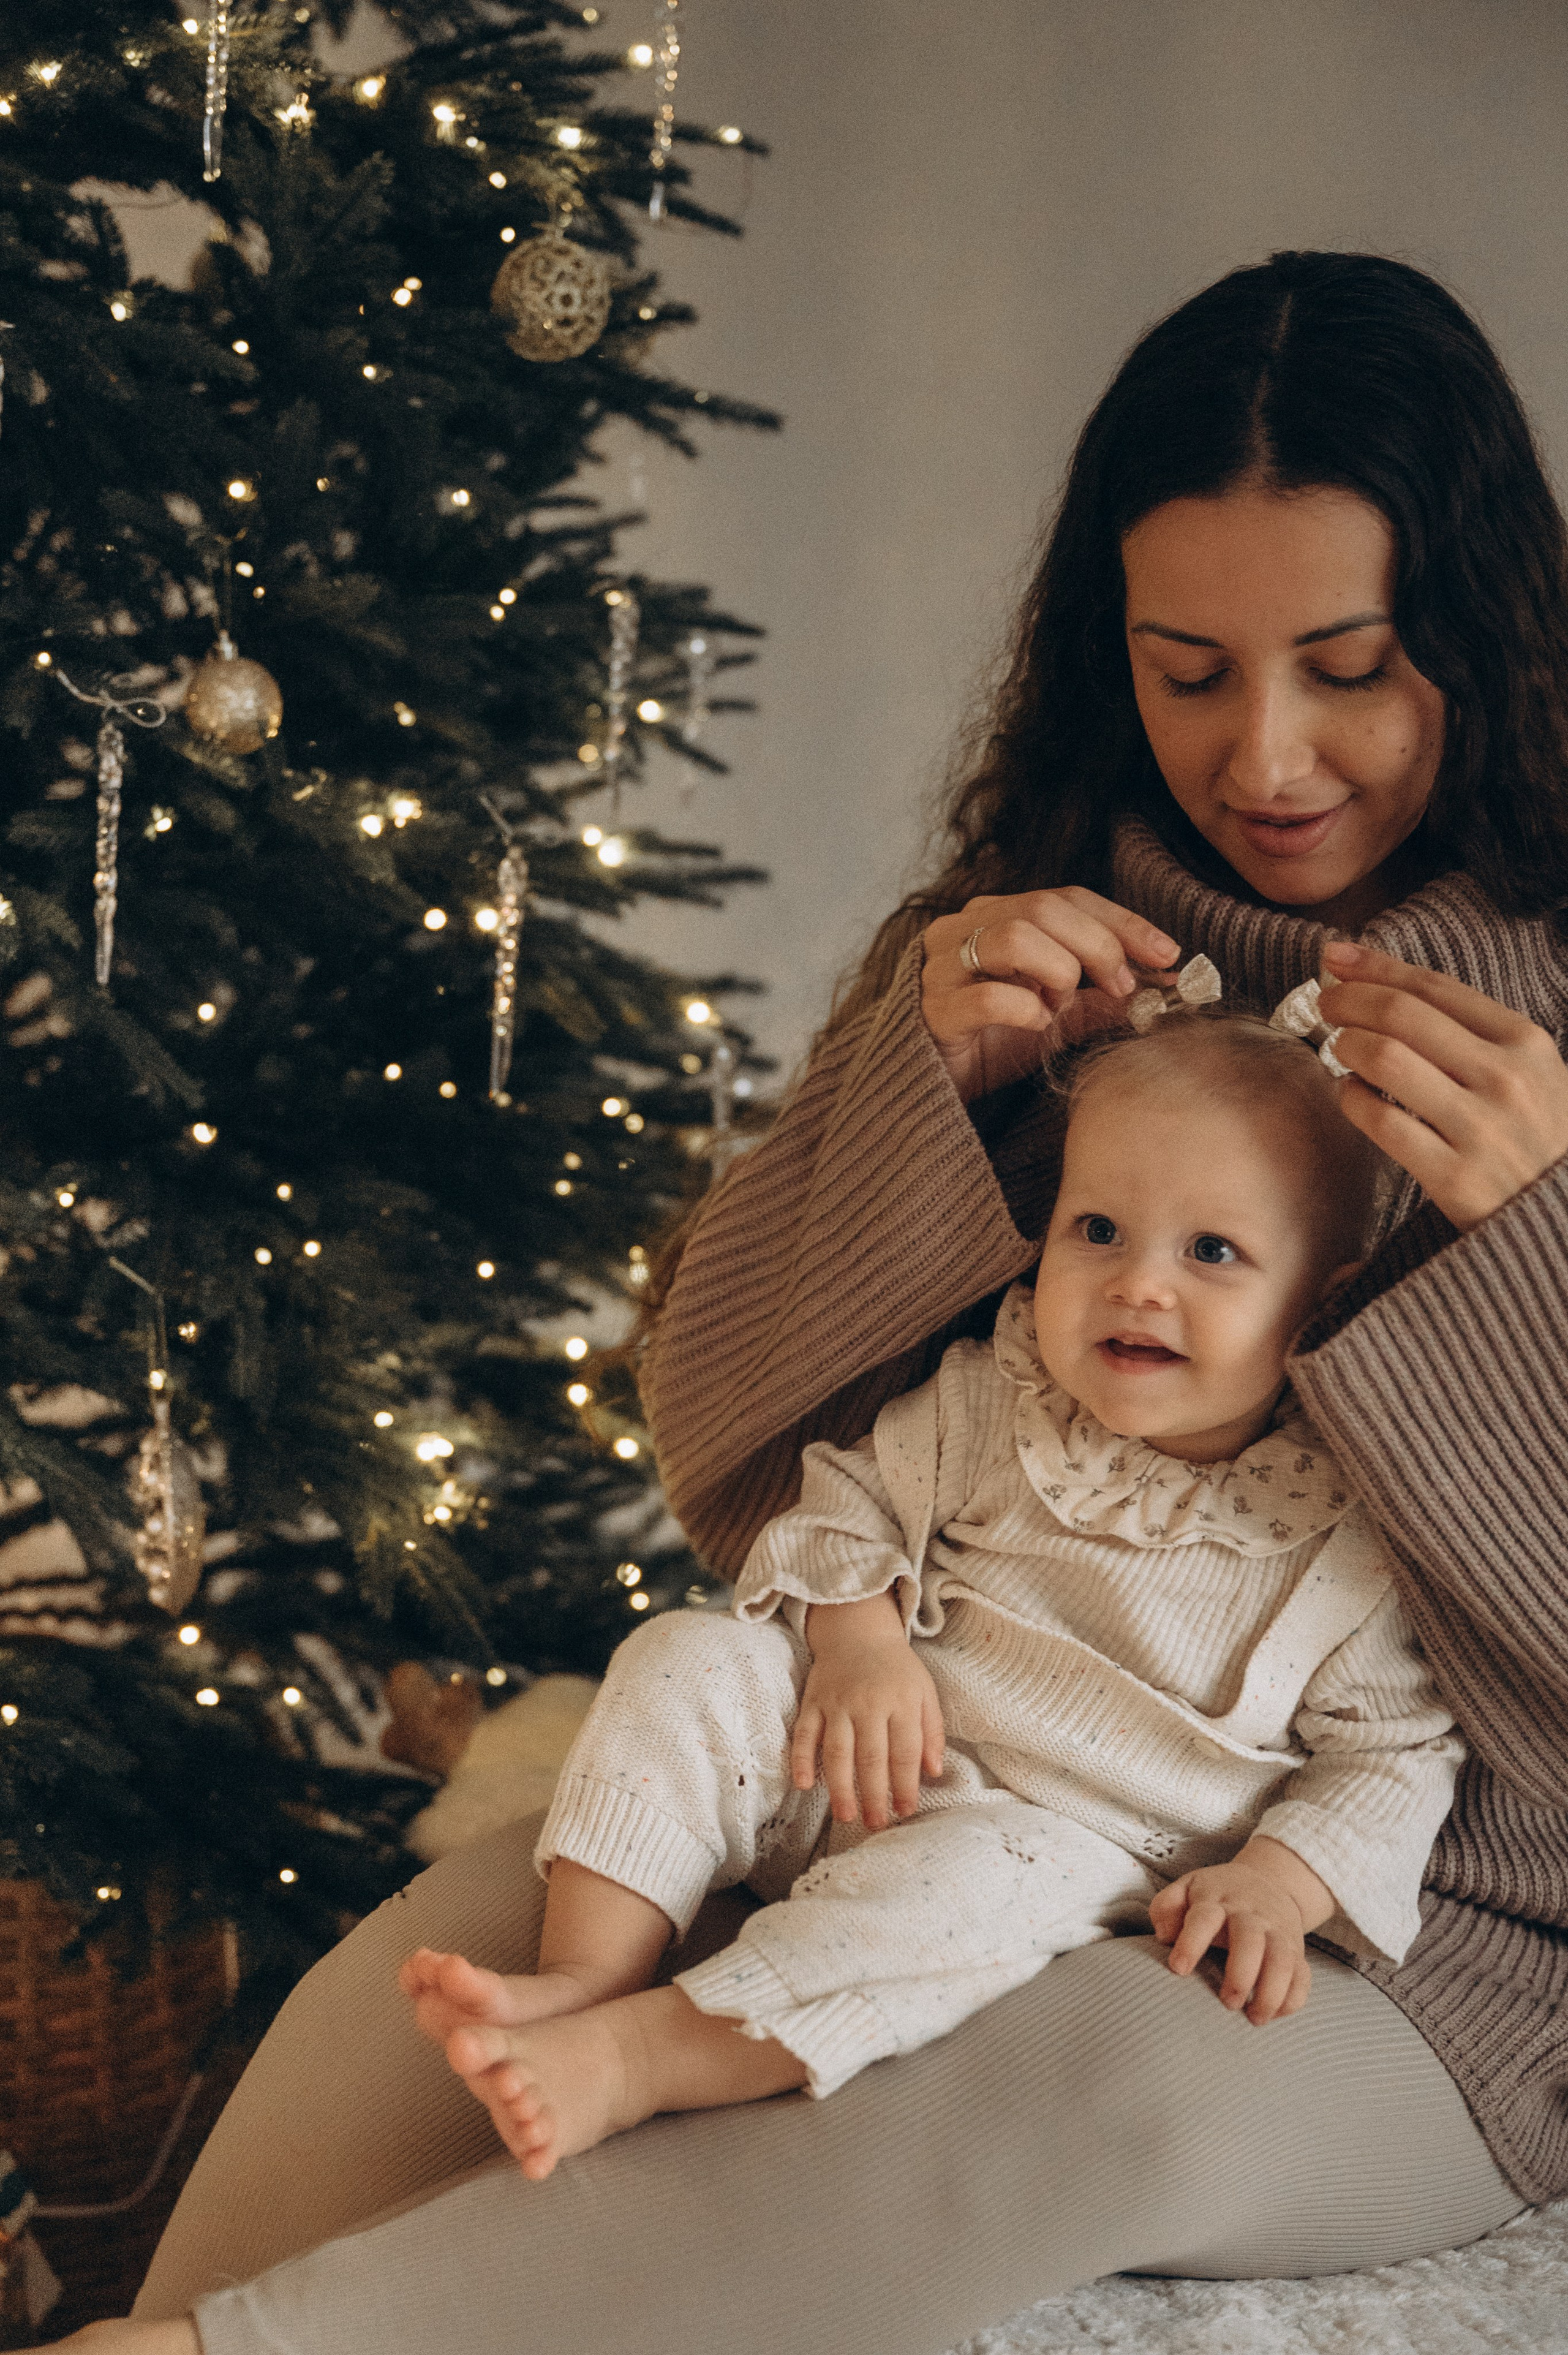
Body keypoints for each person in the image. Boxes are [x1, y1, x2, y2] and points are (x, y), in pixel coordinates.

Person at [70, 248, 1568, 2355]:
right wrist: (913, 1099)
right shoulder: (1023, 945)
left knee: (1061, 2078)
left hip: (1401, 1931)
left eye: (1352, 666)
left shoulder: (1552, 1020)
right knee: (475, 1935)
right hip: (915, 1767)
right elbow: (724, 1455)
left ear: (1487, 646)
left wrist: (1542, 1246)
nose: (1274, 755)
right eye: (1189, 668)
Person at [398, 1004, 1466, 2182]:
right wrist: (858, 1646)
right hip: (849, 1756)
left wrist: (1277, 1881)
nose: (1137, 1288)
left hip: (1055, 1841)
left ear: (1324, 1300)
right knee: (687, 1656)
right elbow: (843, 1504)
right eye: (1098, 1230)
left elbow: (1395, 1753)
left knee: (962, 1894)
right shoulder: (994, 1399)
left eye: (1211, 1253)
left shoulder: (1343, 1534)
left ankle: (643, 2056)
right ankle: (588, 1969)